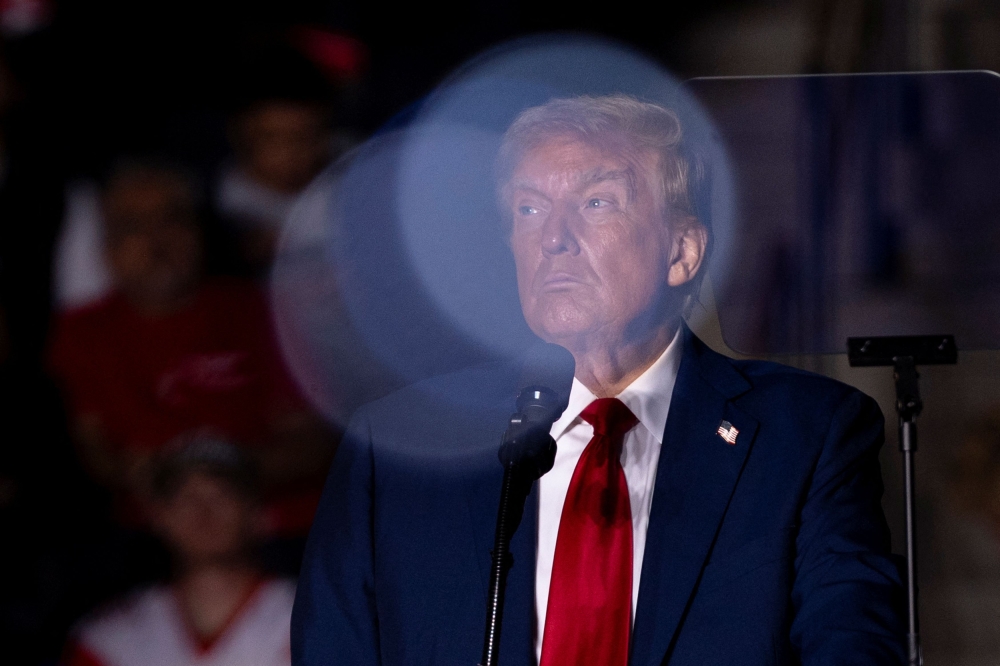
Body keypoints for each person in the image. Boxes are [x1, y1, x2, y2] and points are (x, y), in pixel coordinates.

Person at [292, 95, 906, 665]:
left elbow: (852, 646)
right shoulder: (401, 445)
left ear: (683, 253)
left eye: (596, 203)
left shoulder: (803, 437)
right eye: (529, 209)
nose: (553, 238)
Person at [48, 160, 333, 539]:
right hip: (150, 540)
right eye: (133, 227)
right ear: (108, 248)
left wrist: (210, 473)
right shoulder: (82, 332)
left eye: (172, 220)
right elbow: (97, 454)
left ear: (198, 232)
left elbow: (309, 444)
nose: (157, 241)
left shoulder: (262, 312)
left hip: (275, 529)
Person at [62, 437, 296, 666]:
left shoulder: (309, 619)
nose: (203, 512)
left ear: (259, 514)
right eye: (186, 497)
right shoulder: (112, 638)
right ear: (158, 516)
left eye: (222, 495)